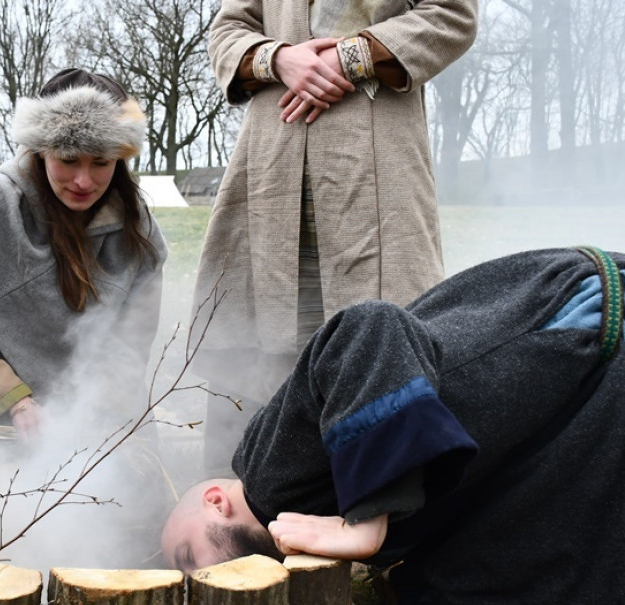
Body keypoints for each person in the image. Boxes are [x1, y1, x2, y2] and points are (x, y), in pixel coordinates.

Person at [164, 247, 625, 605]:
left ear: (216, 502)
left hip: (582, 317)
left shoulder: (267, 475)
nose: (193, 579)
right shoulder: (280, 512)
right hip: (553, 392)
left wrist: (369, 516)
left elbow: (369, 326)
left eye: (188, 557)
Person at [191, 0, 478, 473]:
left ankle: (371, 513)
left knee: (375, 345)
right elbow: (229, 28)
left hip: (375, 174)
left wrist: (346, 57)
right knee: (257, 345)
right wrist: (280, 59)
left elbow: (451, 15)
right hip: (271, 169)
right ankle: (239, 513)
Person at [0, 68, 167, 464]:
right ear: (41, 150)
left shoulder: (138, 232)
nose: (83, 180)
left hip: (90, 420)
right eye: (69, 159)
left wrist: (87, 413)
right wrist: (16, 403)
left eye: (101, 162)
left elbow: (130, 344)